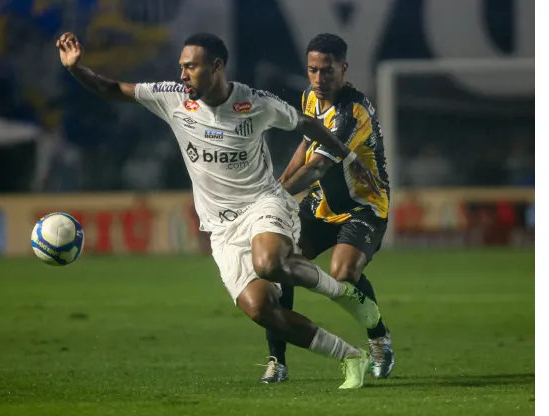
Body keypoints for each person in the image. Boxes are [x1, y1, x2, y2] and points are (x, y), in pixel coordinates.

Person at [57, 31, 384, 389]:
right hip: (221, 228)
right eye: (181, 67)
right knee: (261, 310)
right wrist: (76, 69)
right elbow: (112, 89)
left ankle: (343, 294)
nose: (182, 74)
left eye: (191, 67)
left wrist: (349, 155)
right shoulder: (172, 99)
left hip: (264, 202)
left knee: (269, 263)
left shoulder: (254, 102)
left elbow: (306, 125)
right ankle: (350, 356)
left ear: (216, 67)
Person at [260, 33, 394, 384]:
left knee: (342, 273)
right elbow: (305, 146)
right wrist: (275, 189)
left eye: (328, 71)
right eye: (313, 70)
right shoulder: (309, 98)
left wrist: (277, 197)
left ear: (344, 69)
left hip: (363, 207)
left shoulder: (354, 112)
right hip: (321, 206)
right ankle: (277, 360)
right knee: (276, 265)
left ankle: (379, 338)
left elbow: (318, 166)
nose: (319, 79)